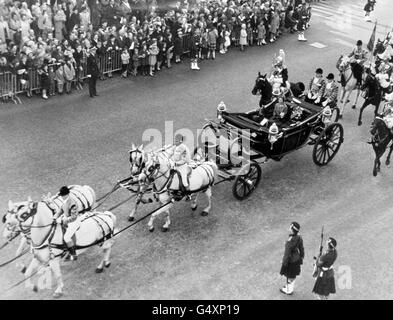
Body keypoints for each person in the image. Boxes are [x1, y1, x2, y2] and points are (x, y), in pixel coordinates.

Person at [53, 186, 78, 260]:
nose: (62, 197)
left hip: (73, 222)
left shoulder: (72, 203)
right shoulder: (64, 201)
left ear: (67, 194)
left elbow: (74, 217)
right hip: (66, 219)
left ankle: (73, 254)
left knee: (66, 237)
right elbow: (60, 210)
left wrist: (63, 220)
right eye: (61, 195)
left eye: (63, 195)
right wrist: (55, 217)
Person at [280, 222, 305, 295]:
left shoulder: (289, 241)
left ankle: (289, 290)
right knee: (293, 275)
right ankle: (290, 287)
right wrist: (302, 256)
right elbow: (301, 248)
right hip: (297, 259)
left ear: (292, 229)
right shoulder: (299, 237)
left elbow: (286, 254)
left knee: (289, 276)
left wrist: (284, 264)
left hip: (291, 261)